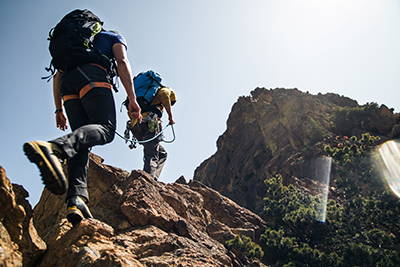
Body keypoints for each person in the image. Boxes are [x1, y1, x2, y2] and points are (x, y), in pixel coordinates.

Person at [23, 9, 142, 225]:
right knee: (105, 130)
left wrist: (58, 109)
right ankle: (57, 148)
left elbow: (58, 75)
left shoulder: (71, 46)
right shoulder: (112, 36)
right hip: (93, 77)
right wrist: (133, 99)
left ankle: (76, 200)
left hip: (69, 84)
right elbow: (122, 62)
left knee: (82, 145)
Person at [126, 86, 176, 180]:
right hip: (149, 124)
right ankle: (147, 179)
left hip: (137, 127)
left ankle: (154, 178)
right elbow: (165, 96)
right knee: (151, 153)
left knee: (162, 153)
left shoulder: (145, 96)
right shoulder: (165, 90)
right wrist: (170, 117)